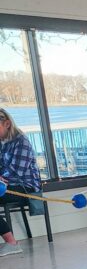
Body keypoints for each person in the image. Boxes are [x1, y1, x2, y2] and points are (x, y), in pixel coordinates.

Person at [0, 107, 43, 255]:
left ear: (7, 124)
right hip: (8, 185)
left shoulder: (21, 142)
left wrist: (2, 177)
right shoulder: (3, 143)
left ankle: (12, 243)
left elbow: (15, 172)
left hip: (26, 188)